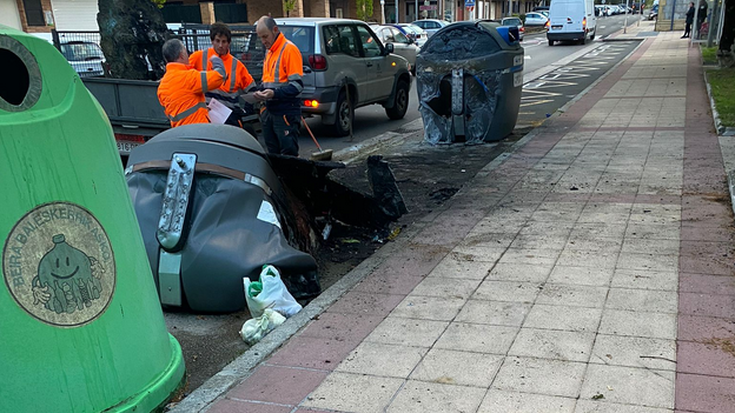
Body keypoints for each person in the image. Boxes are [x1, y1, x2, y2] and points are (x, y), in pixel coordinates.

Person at [189, 22, 256, 127]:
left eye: (224, 42)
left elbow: (252, 89)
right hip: (205, 115)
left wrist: (245, 110)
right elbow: (183, 76)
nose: (220, 45)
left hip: (228, 117)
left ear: (229, 43)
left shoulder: (237, 65)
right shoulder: (198, 57)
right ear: (212, 41)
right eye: (217, 41)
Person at [254, 15, 304, 157]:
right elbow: (267, 81)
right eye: (260, 37)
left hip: (285, 112)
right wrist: (260, 92)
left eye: (265, 36)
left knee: (288, 154)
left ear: (275, 30)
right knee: (273, 153)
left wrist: (274, 93)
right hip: (270, 110)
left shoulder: (289, 50)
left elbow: (297, 86)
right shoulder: (269, 52)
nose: (263, 41)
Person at [158, 39, 227, 127]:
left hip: (179, 133)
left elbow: (176, 110)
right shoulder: (189, 77)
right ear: (182, 55)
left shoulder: (162, 86)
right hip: (198, 130)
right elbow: (219, 76)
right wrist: (216, 61)